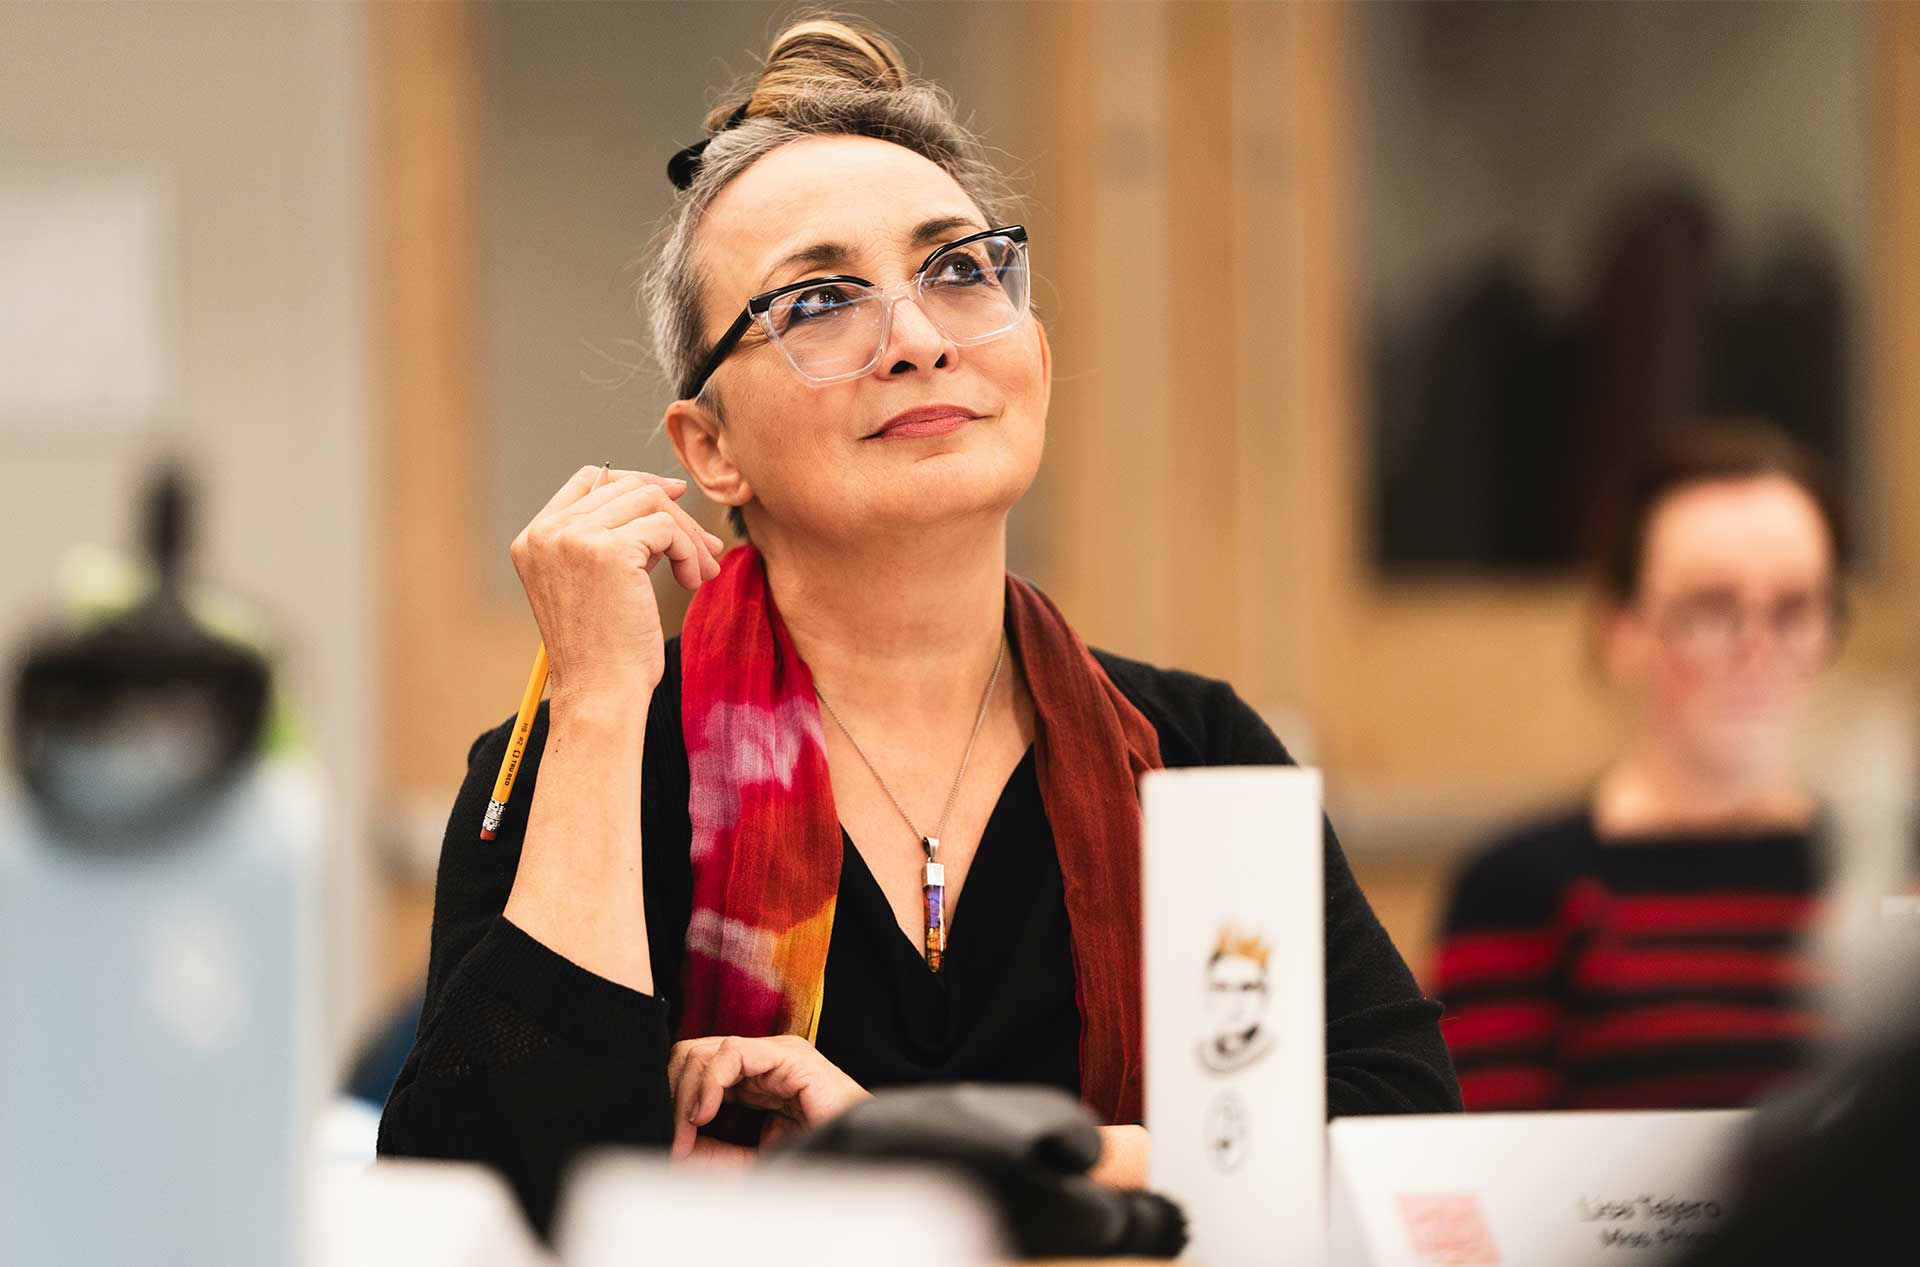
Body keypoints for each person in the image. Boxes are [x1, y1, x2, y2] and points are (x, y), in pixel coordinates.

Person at [377, 16, 1459, 1233]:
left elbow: (1393, 1142)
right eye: (824, 299)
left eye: (962, 270)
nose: (920, 339)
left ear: (1034, 363)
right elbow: (476, 1202)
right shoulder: (600, 755)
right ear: (710, 448)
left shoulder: (1191, 746)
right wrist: (596, 706)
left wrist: (936, 1159)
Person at [1432, 421, 1847, 1111]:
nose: (1757, 648)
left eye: (1794, 609)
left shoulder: (1889, 868)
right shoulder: (1520, 887)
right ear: (1621, 630)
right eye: (1711, 609)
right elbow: (1492, 1170)